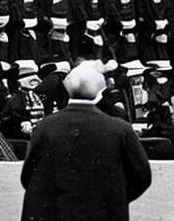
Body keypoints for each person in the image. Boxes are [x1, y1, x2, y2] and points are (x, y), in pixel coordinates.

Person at [21, 60, 151, 221]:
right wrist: (114, 197)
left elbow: (28, 176)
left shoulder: (46, 127)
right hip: (105, 212)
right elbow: (142, 176)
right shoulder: (119, 129)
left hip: (57, 212)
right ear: (100, 92)